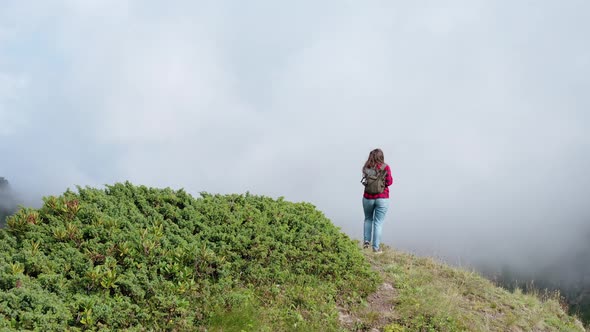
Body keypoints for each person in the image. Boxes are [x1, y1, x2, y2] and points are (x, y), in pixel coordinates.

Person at [361, 148, 393, 253]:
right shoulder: (386, 167)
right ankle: (376, 248)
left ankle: (366, 242)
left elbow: (365, 179)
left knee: (368, 219)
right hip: (382, 198)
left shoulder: (367, 167)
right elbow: (389, 182)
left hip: (368, 197)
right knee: (378, 223)